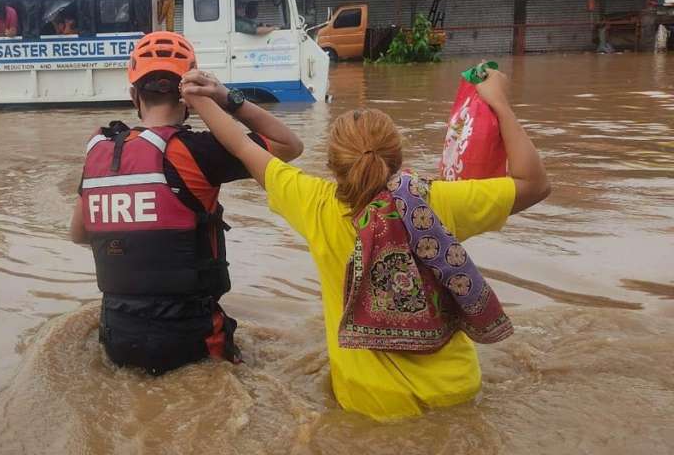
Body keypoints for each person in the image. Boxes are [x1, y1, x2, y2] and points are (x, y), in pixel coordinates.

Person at [180, 66, 550, 420]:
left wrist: (205, 97)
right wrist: (499, 103)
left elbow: (241, 146)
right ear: (397, 157)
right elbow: (535, 184)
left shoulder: (314, 204)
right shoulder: (437, 202)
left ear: (332, 163)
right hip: (456, 389)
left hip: (369, 402)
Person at [69, 31, 304, 375]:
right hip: (192, 338)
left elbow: (78, 234)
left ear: (134, 95)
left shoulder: (99, 152)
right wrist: (225, 98)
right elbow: (290, 145)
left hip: (117, 337)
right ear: (188, 96)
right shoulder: (200, 151)